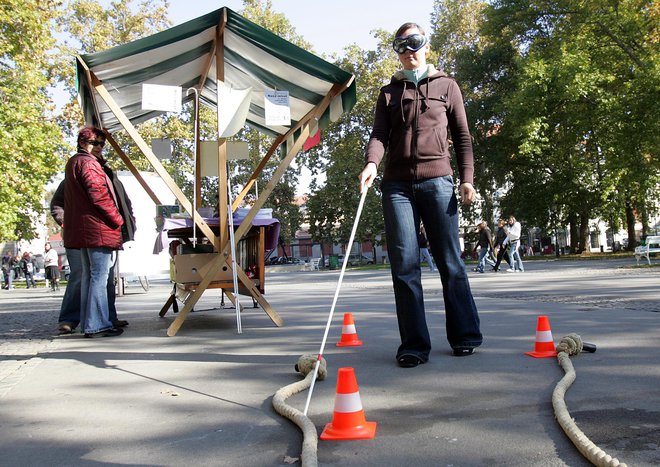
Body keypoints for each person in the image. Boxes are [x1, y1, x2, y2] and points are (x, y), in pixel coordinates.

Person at [359, 22, 482, 367]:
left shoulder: (447, 86)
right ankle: (413, 345)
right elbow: (379, 135)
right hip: (396, 186)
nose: (409, 51)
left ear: (426, 45)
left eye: (415, 43)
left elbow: (462, 137)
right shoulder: (388, 93)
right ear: (396, 52)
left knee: (450, 262)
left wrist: (467, 180)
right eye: (401, 46)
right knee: (405, 266)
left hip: (438, 181)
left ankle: (465, 335)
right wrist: (371, 164)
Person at [63, 126, 125, 338]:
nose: (99, 147)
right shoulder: (88, 163)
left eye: (101, 143)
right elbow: (98, 194)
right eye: (94, 143)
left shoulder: (75, 162)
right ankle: (97, 323)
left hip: (86, 229)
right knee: (98, 276)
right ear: (83, 143)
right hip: (96, 227)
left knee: (91, 276)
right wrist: (117, 219)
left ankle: (90, 323)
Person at [51, 176, 133, 334]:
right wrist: (67, 223)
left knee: (106, 277)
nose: (99, 150)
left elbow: (124, 205)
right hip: (78, 234)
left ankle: (108, 317)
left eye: (101, 148)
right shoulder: (72, 180)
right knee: (79, 275)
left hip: (104, 234)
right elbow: (57, 205)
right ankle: (69, 319)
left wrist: (126, 224)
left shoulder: (111, 178)